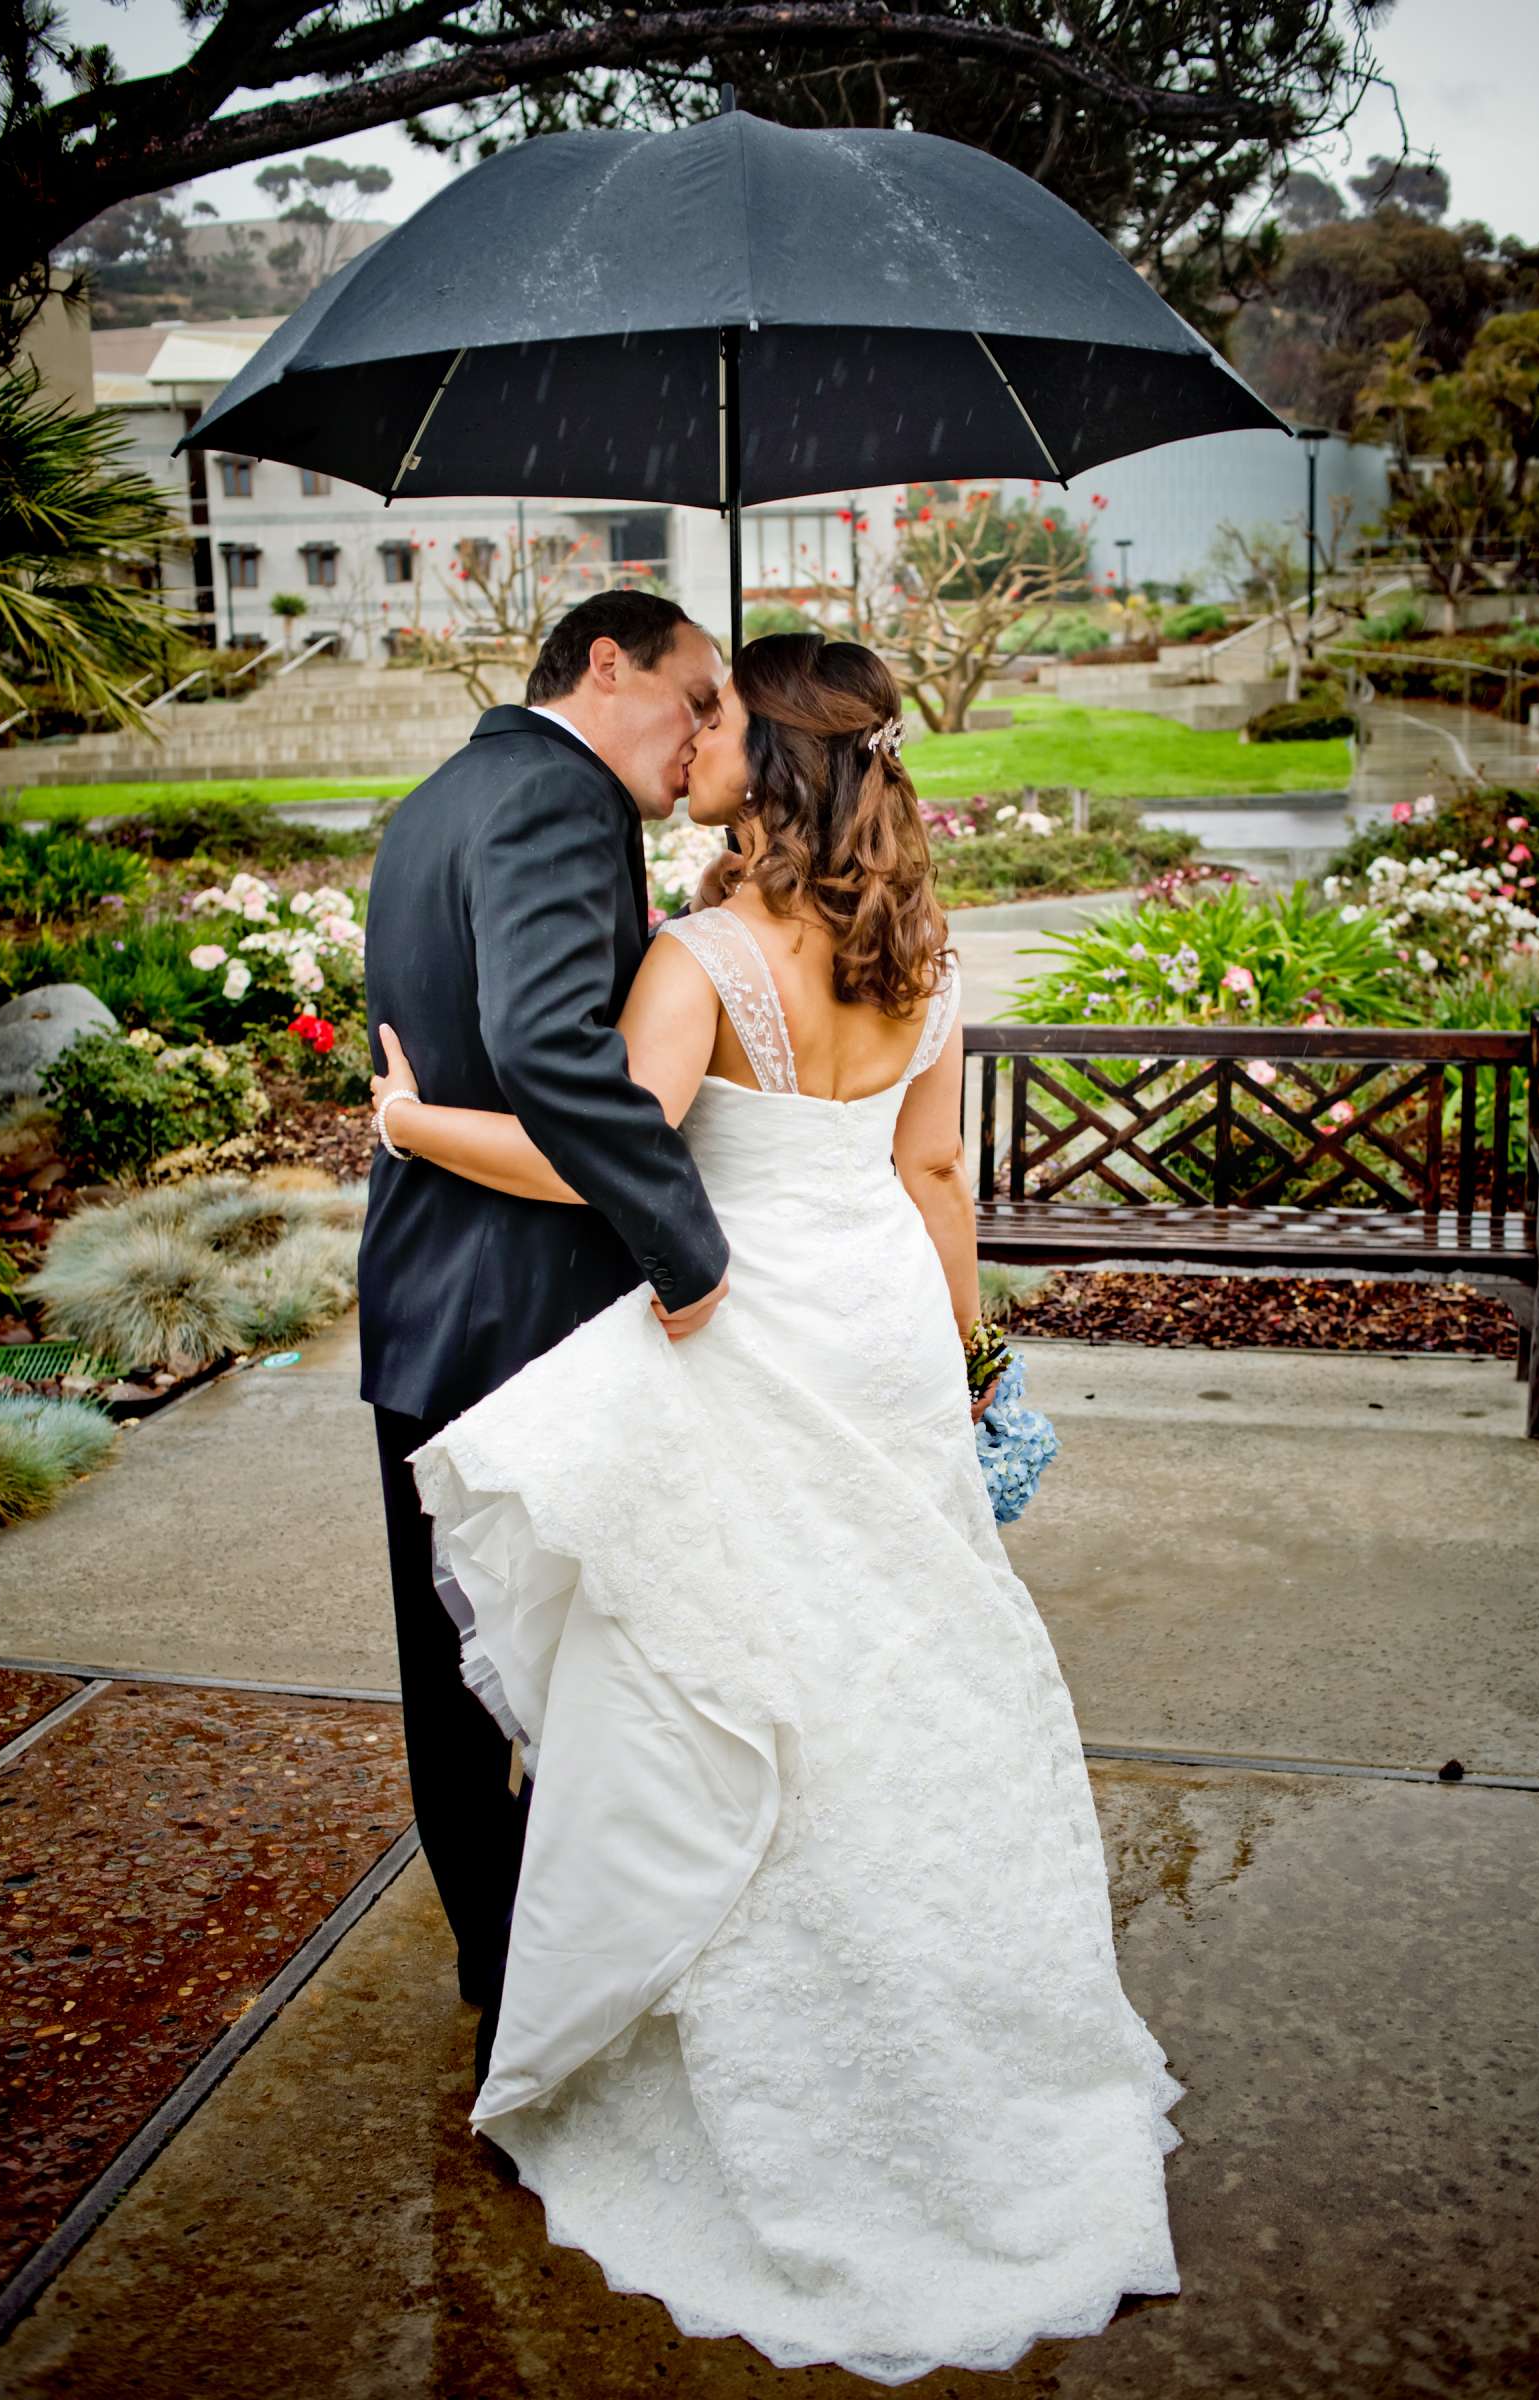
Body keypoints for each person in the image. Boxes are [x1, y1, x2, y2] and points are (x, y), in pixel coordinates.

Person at [367, 632, 1185, 2381]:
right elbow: (937, 1173)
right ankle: (956, 2028)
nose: (708, 739)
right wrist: (970, 1373)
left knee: (739, 1678)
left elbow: (611, 1149)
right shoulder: (927, 948)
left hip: (741, 1332)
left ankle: (765, 2036)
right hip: (880, 1335)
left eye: (734, 724)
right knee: (893, 1665)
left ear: (778, 771)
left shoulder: (706, 955)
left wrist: (417, 1120)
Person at [357, 589, 731, 2092]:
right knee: (573, 1660)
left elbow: (461, 1042)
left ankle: (503, 1962)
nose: (703, 733)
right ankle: (545, 1977)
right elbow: (544, 1047)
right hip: (523, 1319)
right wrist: (685, 1244)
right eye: (692, 697)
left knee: (452, 1660)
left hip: (428, 1305)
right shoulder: (559, 799)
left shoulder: (441, 797)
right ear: (604, 664)